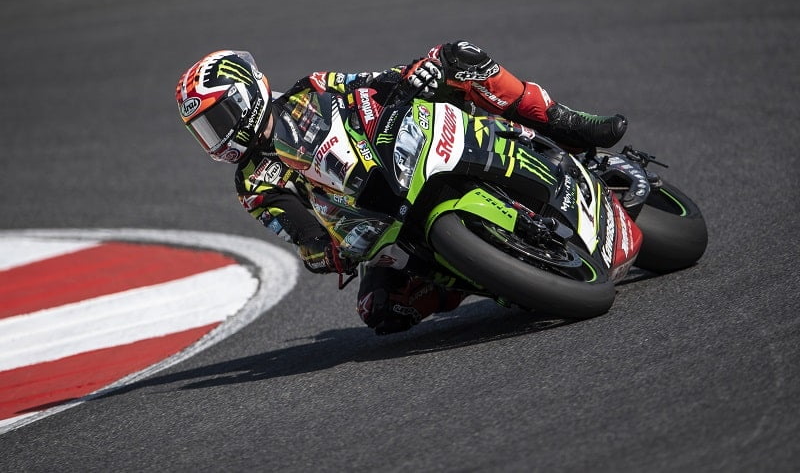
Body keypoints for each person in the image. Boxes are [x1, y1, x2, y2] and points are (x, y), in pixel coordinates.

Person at [175, 41, 627, 334]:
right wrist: (325, 253)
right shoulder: (253, 183)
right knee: (380, 310)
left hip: (401, 153)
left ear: (245, 95)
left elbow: (371, 83)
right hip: (370, 221)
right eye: (204, 132)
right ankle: (488, 276)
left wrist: (413, 75)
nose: (216, 137)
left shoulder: (311, 89)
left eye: (218, 120)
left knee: (458, 56)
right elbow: (299, 231)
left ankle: (566, 123)